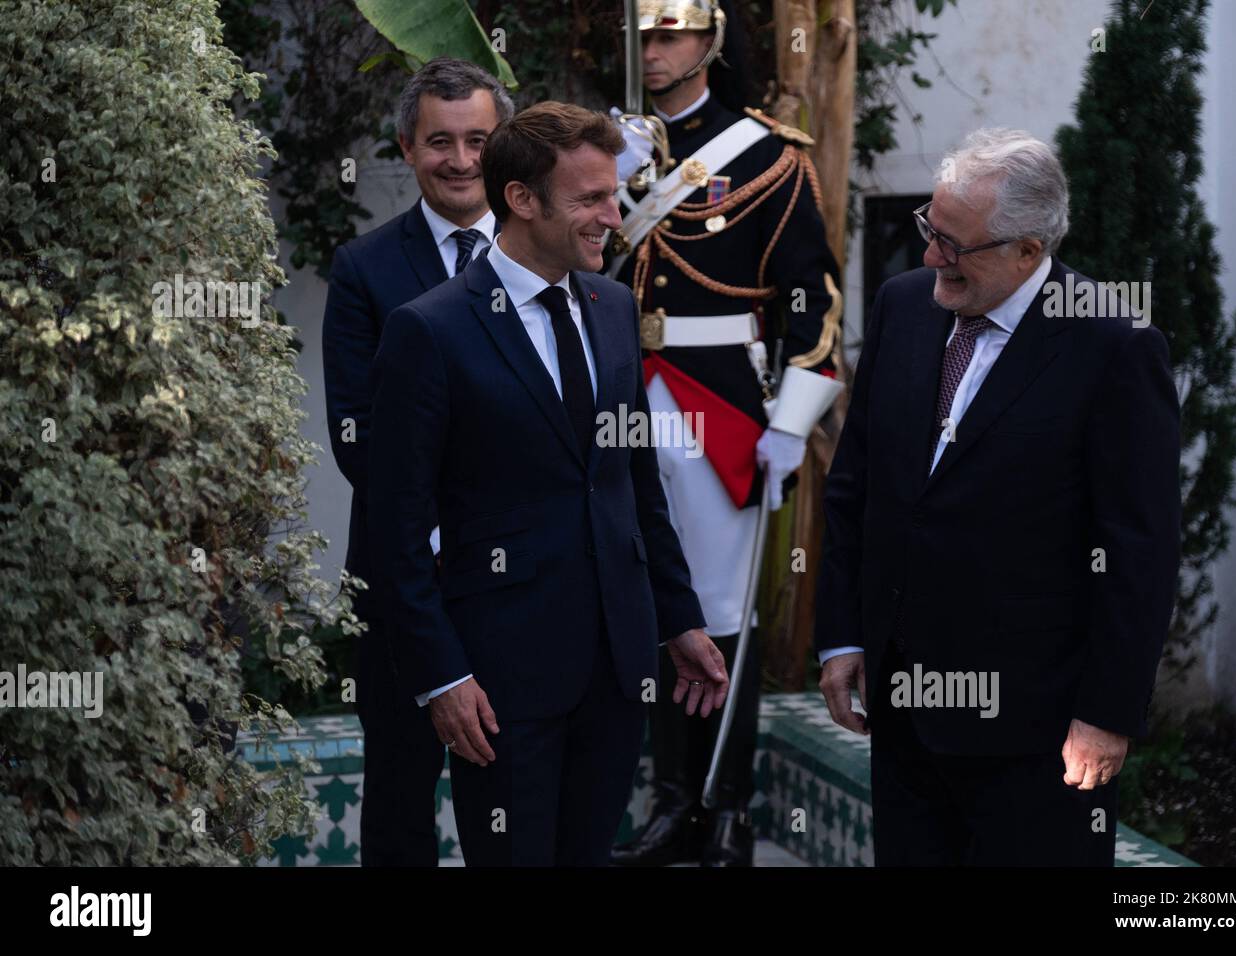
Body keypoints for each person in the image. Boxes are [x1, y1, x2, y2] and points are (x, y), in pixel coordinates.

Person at [365, 101, 730, 867]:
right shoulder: (429, 329)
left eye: (613, 194)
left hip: (616, 667)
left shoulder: (613, 308)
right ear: (522, 200)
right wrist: (442, 678)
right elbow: (393, 528)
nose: (612, 215)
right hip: (499, 685)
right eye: (591, 199)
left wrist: (678, 619)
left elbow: (633, 484)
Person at [815, 128, 1181, 866]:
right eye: (930, 231)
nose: (930, 258)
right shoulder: (903, 305)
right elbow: (859, 485)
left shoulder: (1114, 346)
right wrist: (845, 636)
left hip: (1036, 735)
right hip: (908, 715)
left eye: (954, 244)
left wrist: (1106, 716)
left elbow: (1139, 550)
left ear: (1028, 250)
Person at [608, 0, 843, 867]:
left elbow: (811, 302)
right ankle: (672, 803)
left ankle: (727, 809)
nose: (654, 51)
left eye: (670, 34)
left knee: (716, 612)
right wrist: (605, 185)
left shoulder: (769, 157)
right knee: (647, 609)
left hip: (720, 405)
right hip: (625, 399)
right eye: (643, 37)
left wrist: (790, 421)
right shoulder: (605, 153)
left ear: (709, 41)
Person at [321, 57, 512, 866]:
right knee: (400, 796)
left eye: (479, 141)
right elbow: (356, 433)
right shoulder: (366, 269)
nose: (462, 161)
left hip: (519, 584)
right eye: (441, 142)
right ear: (407, 146)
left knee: (510, 798)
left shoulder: (548, 258)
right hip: (404, 578)